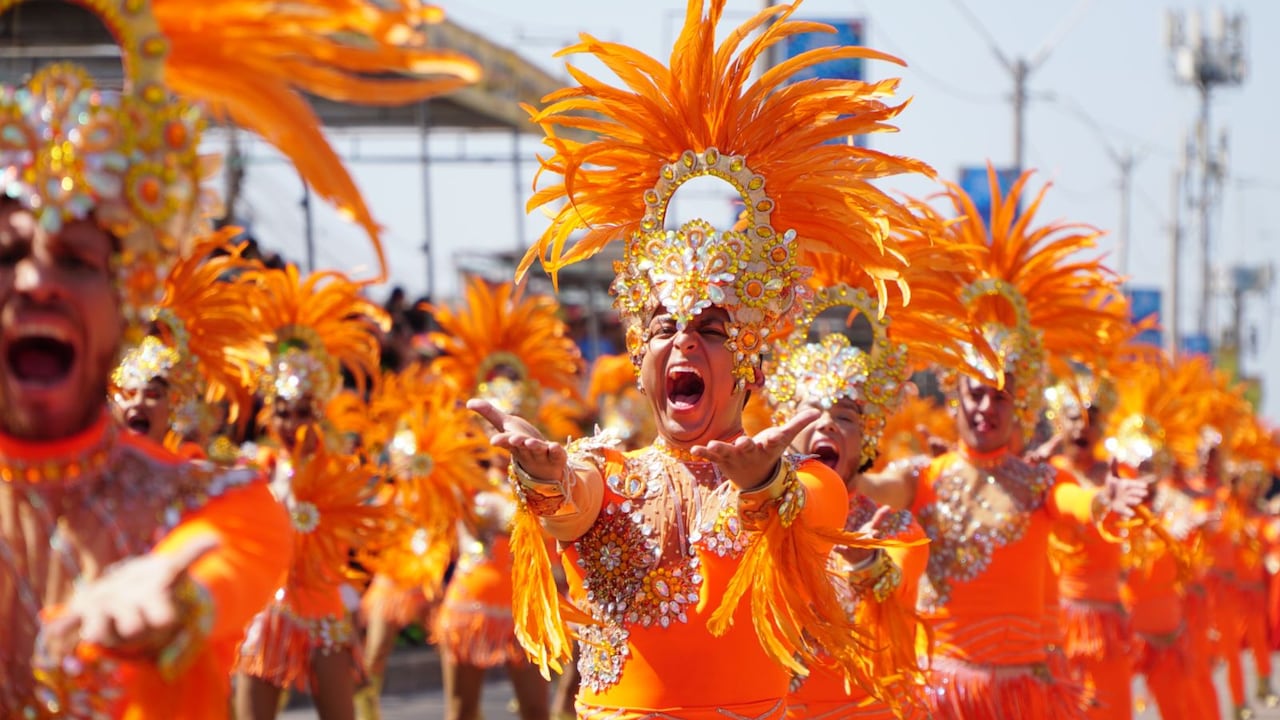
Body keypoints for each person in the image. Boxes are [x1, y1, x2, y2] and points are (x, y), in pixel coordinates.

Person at [470, 1, 932, 716]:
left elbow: (809, 509)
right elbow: (574, 503)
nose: (683, 340)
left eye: (711, 328)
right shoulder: (608, 476)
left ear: (746, 362)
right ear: (641, 354)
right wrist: (545, 476)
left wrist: (759, 488)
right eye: (665, 326)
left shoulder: (808, 487)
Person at [857, 169, 1147, 720]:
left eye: (999, 396)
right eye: (975, 393)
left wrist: (1105, 502)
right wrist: (832, 456)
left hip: (1021, 698)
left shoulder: (1041, 483)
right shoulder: (925, 476)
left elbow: (1078, 502)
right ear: (955, 395)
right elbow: (869, 487)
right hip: (943, 697)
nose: (985, 407)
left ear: (1019, 406)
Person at [232, 263, 396, 720]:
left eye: (301, 411)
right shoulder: (255, 469)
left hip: (323, 610)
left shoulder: (337, 469)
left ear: (317, 413)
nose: (290, 423)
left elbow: (360, 531)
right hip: (266, 613)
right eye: (282, 412)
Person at [428, 277, 587, 720]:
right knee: (461, 711)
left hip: (525, 603)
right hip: (469, 603)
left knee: (537, 710)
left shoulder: (543, 473)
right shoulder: (462, 473)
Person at [110, 233, 266, 456]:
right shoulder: (81, 469)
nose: (139, 402)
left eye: (154, 394)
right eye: (128, 393)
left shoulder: (187, 483)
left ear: (174, 408)